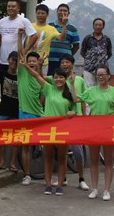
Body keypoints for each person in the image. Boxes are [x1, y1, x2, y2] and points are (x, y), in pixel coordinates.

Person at [21, 60, 78, 196]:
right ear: (53, 78)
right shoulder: (48, 88)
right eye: (56, 77)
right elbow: (36, 75)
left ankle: (59, 185)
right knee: (48, 157)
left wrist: (72, 111)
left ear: (65, 79)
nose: (58, 80)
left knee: (62, 158)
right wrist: (26, 66)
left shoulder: (69, 95)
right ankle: (47, 184)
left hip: (63, 130)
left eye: (61, 77)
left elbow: (75, 106)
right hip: (48, 130)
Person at [77, 65, 114, 201]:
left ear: (108, 76)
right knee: (94, 161)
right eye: (98, 75)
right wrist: (71, 83)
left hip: (109, 129)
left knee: (109, 161)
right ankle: (94, 189)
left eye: (103, 74)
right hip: (94, 129)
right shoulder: (91, 91)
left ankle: (106, 190)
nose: (100, 77)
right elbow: (76, 99)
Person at [47, 54, 89, 190]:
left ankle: (81, 178)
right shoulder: (56, 80)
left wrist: (83, 116)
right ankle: (63, 178)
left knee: (77, 151)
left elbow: (82, 100)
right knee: (61, 152)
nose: (65, 65)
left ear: (72, 64)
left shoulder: (79, 81)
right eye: (62, 63)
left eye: (67, 62)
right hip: (61, 121)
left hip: (75, 120)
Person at [17, 46, 43, 186]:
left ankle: (50, 174)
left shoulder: (40, 78)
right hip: (24, 113)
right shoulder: (22, 73)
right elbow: (20, 51)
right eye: (30, 60)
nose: (32, 62)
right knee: (25, 146)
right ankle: (27, 175)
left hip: (39, 115)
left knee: (48, 145)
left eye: (35, 61)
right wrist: (20, 35)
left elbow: (44, 94)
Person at [0, 51, 19, 171]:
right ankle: (2, 161)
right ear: (8, 59)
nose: (13, 62)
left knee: (16, 139)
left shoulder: (21, 76)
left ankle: (12, 163)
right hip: (3, 110)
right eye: (12, 59)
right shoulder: (3, 74)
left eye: (16, 60)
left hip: (17, 111)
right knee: (0, 136)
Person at [0, 0, 37, 75]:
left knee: (15, 84)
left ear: (18, 8)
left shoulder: (24, 21)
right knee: (3, 84)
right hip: (3, 60)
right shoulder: (2, 21)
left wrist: (25, 51)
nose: (10, 8)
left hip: (16, 60)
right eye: (9, 6)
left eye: (13, 6)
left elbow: (34, 36)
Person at [31, 4, 67, 74]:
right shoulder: (30, 26)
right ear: (35, 14)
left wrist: (64, 24)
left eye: (43, 13)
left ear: (47, 15)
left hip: (43, 62)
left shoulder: (51, 29)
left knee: (41, 83)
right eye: (38, 13)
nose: (40, 15)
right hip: (29, 62)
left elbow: (62, 38)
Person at [48, 3, 80, 76]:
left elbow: (76, 45)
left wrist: (67, 55)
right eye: (60, 10)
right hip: (50, 59)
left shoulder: (73, 28)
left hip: (65, 62)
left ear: (68, 13)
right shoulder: (50, 25)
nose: (62, 12)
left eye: (65, 11)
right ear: (57, 12)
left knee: (64, 80)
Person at [80, 18, 112, 87]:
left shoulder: (107, 39)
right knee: (88, 88)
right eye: (96, 25)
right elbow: (82, 52)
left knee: (101, 87)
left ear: (103, 26)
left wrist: (102, 60)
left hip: (102, 70)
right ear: (93, 26)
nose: (98, 27)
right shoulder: (87, 38)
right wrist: (89, 60)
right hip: (89, 69)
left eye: (100, 25)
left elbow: (109, 53)